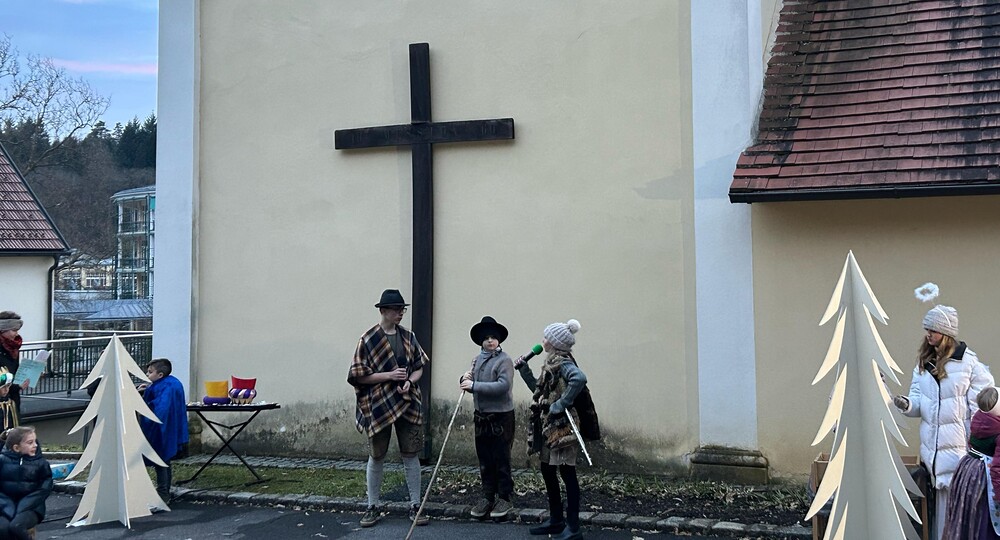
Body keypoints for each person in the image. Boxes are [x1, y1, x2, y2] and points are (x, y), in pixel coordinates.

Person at [894, 304, 994, 540]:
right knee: (939, 517)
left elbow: (981, 412)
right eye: (927, 329)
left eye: (933, 330)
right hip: (933, 455)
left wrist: (974, 450)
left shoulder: (970, 365)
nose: (928, 334)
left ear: (946, 333)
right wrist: (906, 404)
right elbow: (918, 402)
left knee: (958, 516)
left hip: (959, 455)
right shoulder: (923, 365)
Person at [348, 289, 429, 528]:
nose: (400, 313)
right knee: (377, 455)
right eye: (396, 309)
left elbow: (419, 367)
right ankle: (372, 506)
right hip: (378, 404)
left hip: (407, 401)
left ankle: (415, 505)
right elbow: (358, 376)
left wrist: (409, 381)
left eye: (402, 309)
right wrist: (389, 376)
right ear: (383, 311)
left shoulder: (409, 337)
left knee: (411, 453)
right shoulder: (368, 339)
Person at [515, 319, 587, 540]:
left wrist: (560, 404)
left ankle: (573, 526)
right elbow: (540, 392)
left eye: (546, 337)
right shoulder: (551, 362)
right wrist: (524, 370)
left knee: (567, 473)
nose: (543, 340)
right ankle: (556, 520)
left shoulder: (563, 363)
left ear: (555, 343)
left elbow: (579, 378)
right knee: (547, 469)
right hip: (549, 426)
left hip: (563, 428)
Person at [460, 316, 515, 520]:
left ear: (499, 340)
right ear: (481, 341)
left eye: (493, 337)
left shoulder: (504, 360)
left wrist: (474, 386)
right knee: (485, 459)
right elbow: (470, 380)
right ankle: (487, 496)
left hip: (501, 418)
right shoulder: (477, 360)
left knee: (501, 458)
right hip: (481, 417)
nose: (490, 341)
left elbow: (503, 386)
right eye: (486, 338)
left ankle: (505, 497)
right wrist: (465, 379)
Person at [942, 386, 1000, 540]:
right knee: (985, 522)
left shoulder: (979, 419)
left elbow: (971, 442)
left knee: (970, 516)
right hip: (986, 478)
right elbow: (998, 469)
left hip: (968, 470)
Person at [138, 358, 190, 502]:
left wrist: (143, 399)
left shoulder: (165, 386)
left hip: (162, 429)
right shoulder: (172, 383)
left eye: (150, 372)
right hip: (171, 427)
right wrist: (148, 389)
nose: (147, 374)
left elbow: (160, 408)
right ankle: (164, 491)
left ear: (160, 375)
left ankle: (163, 495)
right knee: (164, 461)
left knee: (161, 461)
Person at [0, 426, 51, 540]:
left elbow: (43, 490)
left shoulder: (41, 464)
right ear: (16, 448)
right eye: (30, 442)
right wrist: (8, 507)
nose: (35, 445)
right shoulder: (2, 461)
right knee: (3, 529)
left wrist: (22, 507)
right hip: (4, 506)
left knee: (16, 526)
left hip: (31, 508)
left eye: (35, 441)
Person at [0, 313, 30, 416]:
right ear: (3, 330)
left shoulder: (12, 347)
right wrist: (16, 386)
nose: (16, 334)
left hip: (12, 400)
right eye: (14, 330)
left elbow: (14, 370)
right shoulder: (10, 348)